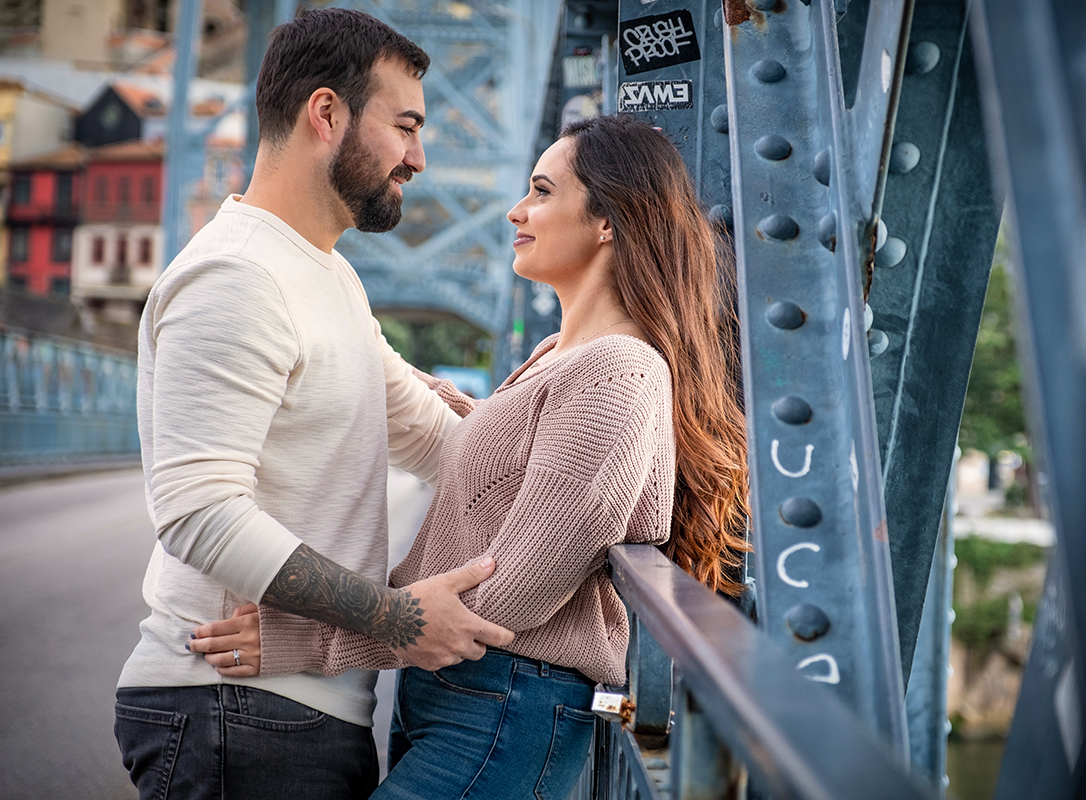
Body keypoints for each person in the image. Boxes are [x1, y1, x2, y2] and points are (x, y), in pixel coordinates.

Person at [192, 115, 751, 800]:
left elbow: (507, 597)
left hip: (508, 699)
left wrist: (310, 638)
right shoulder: (560, 357)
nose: (517, 210)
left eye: (542, 192)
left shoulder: (620, 373)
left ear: (609, 220)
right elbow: (506, 459)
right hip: (462, 693)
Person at [113, 9, 514, 800]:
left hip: (285, 715)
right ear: (326, 114)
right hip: (231, 711)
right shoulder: (237, 276)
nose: (419, 158)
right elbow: (198, 511)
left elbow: (439, 439)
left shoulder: (327, 276)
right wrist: (397, 620)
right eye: (404, 127)